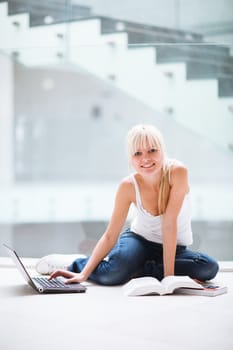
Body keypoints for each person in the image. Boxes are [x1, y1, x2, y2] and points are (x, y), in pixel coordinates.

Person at [36, 124, 219, 285]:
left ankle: (133, 269)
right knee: (112, 276)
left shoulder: (178, 172)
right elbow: (110, 235)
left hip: (174, 247)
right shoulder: (128, 186)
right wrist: (84, 274)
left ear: (162, 150)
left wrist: (168, 279)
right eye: (138, 153)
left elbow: (169, 224)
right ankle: (78, 263)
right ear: (131, 158)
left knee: (208, 268)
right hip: (138, 241)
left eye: (152, 150)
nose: (145, 158)